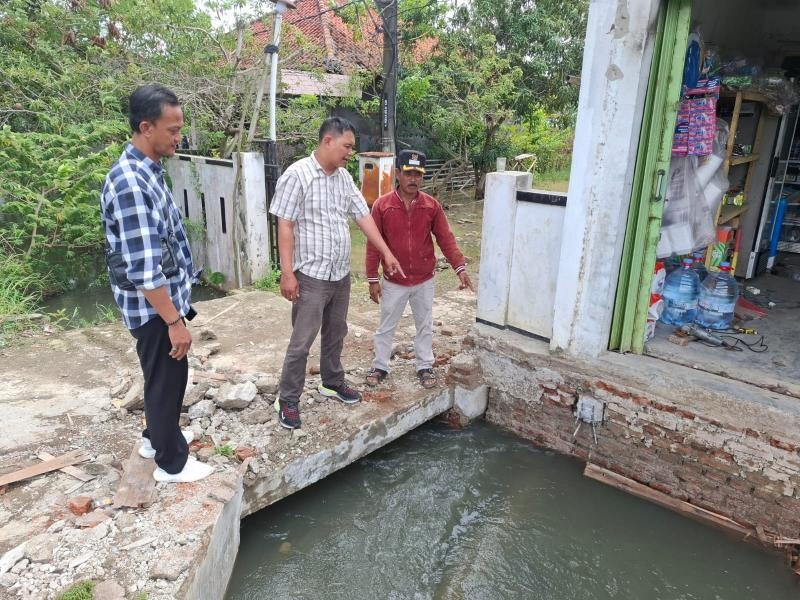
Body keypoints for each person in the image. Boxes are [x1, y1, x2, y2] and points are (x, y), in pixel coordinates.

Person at [100, 84, 213, 483]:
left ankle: (155, 437)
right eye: (173, 130)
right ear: (146, 128)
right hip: (153, 308)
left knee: (161, 375)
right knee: (167, 378)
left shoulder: (147, 170)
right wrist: (174, 322)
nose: (179, 137)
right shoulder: (131, 183)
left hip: (161, 303)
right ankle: (172, 463)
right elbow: (145, 270)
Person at [269, 116, 405, 430]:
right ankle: (287, 399)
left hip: (339, 274)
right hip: (311, 275)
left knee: (336, 332)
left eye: (352, 148)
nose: (350, 153)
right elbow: (285, 224)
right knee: (302, 341)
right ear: (328, 140)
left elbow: (362, 216)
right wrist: (287, 273)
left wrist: (386, 252)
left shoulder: (343, 178)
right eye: (347, 146)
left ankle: (331, 381)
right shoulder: (298, 175)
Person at [365, 150, 474, 389]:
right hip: (394, 280)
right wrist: (372, 278)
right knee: (386, 326)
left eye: (418, 174)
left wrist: (459, 268)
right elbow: (374, 243)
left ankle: (424, 365)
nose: (413, 179)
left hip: (424, 279)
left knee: (424, 325)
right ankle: (380, 365)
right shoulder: (383, 206)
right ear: (398, 174)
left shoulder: (431, 206)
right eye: (408, 173)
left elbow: (446, 238)